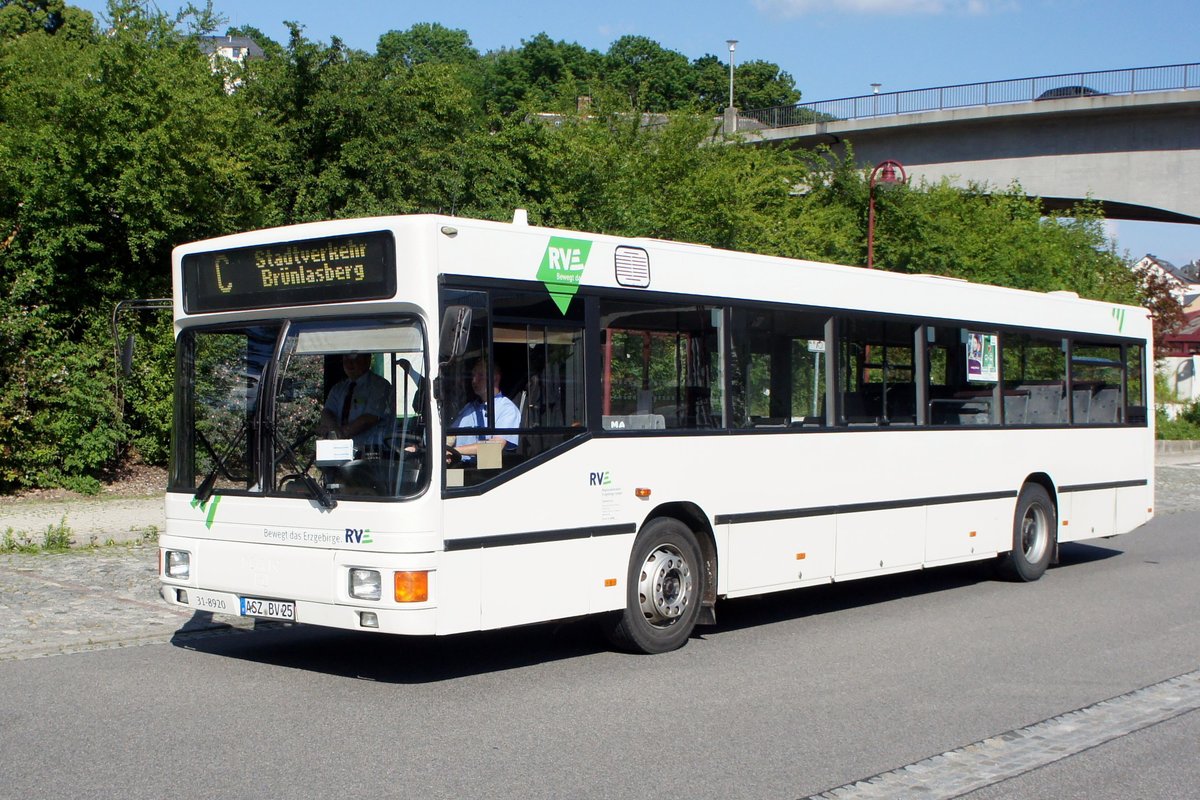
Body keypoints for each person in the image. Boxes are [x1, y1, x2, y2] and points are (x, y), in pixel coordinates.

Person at [317, 353, 394, 453]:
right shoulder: (339, 388)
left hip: (373, 453)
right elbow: (327, 412)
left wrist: (339, 435)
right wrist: (332, 429)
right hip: (342, 452)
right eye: (346, 361)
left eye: (354, 360)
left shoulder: (379, 386)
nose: (349, 364)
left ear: (367, 360)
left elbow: (368, 419)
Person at [448, 359, 519, 461]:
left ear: (495, 378)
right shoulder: (469, 408)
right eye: (473, 375)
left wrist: (455, 451)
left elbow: (495, 446)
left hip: (488, 473)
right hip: (458, 468)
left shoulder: (507, 409)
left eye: (480, 375)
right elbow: (451, 435)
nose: (474, 380)